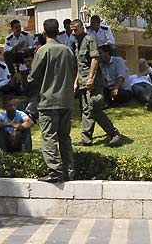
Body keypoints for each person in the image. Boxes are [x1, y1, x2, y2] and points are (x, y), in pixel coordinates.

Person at [28, 18, 77, 182]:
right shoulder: (68, 51)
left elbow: (32, 78)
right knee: (65, 137)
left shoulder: (42, 51)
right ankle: (69, 170)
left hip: (48, 101)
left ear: (44, 32)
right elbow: (74, 72)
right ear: (58, 32)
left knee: (49, 137)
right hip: (66, 100)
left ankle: (55, 171)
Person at [71, 19, 124, 147]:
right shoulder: (77, 44)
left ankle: (113, 133)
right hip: (83, 81)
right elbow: (80, 64)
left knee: (94, 108)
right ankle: (86, 139)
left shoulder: (89, 40)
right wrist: (76, 82)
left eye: (75, 29)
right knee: (86, 110)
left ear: (82, 28)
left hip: (92, 82)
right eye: (71, 30)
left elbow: (95, 59)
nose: (73, 32)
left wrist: (90, 78)